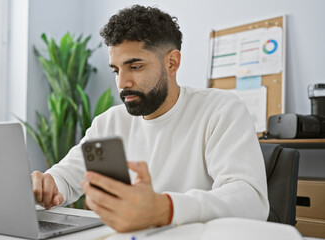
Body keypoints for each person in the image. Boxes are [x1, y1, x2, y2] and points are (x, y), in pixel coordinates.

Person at [31, 5, 269, 232]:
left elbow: (251, 199)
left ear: (172, 63)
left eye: (135, 67)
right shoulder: (109, 123)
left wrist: (165, 208)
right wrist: (48, 184)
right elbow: (67, 177)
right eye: (116, 70)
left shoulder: (220, 110)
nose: (122, 83)